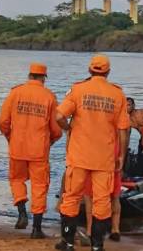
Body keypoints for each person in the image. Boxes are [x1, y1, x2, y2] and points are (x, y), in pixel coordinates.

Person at [55, 54, 129, 251]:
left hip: (79, 156)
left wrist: (68, 128)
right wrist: (121, 155)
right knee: (102, 201)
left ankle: (68, 242)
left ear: (90, 70)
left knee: (71, 197)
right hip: (104, 158)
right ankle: (97, 246)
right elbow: (123, 129)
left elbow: (59, 115)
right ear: (108, 72)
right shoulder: (117, 94)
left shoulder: (78, 90)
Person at [0, 62, 62, 239]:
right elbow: (56, 130)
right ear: (43, 78)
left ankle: (22, 213)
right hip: (39, 150)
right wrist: (51, 141)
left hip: (17, 147)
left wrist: (11, 137)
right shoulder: (49, 96)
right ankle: (36, 229)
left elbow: (2, 122)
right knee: (39, 186)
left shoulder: (15, 93)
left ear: (29, 75)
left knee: (16, 179)